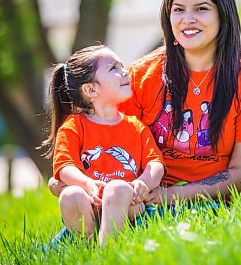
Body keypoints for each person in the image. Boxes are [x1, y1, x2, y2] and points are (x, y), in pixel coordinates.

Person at [49, 0, 241, 213]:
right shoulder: (139, 76)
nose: (187, 19)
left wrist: (169, 196)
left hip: (207, 206)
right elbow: (99, 143)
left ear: (223, 16)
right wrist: (75, 184)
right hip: (136, 201)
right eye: (178, 10)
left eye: (201, 9)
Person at [42, 45, 164, 246]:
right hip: (90, 204)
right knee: (71, 194)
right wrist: (87, 184)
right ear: (91, 89)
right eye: (113, 68)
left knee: (116, 189)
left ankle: (106, 250)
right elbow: (65, 167)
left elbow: (155, 164)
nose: (124, 71)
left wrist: (143, 182)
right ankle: (85, 248)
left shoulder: (136, 126)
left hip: (129, 207)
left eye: (122, 66)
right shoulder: (73, 127)